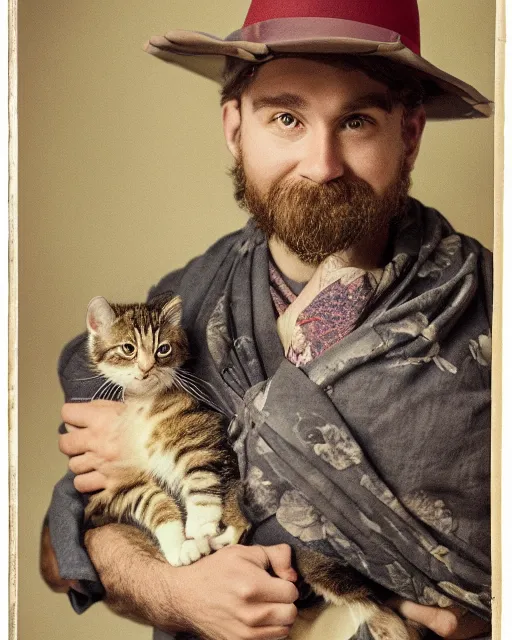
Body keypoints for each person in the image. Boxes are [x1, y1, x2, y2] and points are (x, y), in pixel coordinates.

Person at [39, 1, 493, 639]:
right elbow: (61, 556)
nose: (322, 164)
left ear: (410, 133)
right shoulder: (181, 306)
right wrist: (173, 589)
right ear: (234, 126)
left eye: (357, 121)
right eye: (286, 117)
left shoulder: (489, 308)